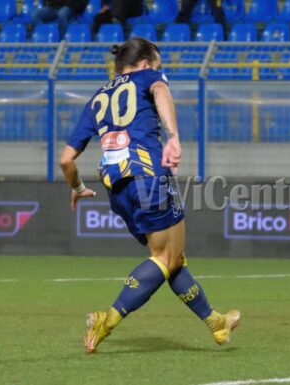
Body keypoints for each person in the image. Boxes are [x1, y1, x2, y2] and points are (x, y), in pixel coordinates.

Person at [60, 37, 240, 353]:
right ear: (144, 64)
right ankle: (109, 319)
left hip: (117, 189)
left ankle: (216, 323)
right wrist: (173, 137)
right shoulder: (147, 78)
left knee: (172, 260)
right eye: (158, 65)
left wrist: (77, 189)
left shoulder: (97, 99)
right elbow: (161, 91)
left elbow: (65, 159)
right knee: (165, 258)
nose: (160, 71)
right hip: (148, 176)